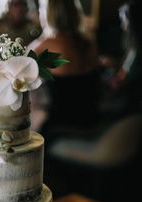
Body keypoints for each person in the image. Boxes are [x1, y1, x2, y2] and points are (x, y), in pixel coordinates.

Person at [30, 0, 99, 137]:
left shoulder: (43, 45)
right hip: (90, 122)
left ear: (49, 14)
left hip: (60, 127)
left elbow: (19, 71)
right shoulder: (89, 42)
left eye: (43, 10)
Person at [99, 0, 142, 120]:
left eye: (124, 20)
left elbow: (123, 79)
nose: (122, 24)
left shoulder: (136, 48)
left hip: (127, 97)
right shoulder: (132, 42)